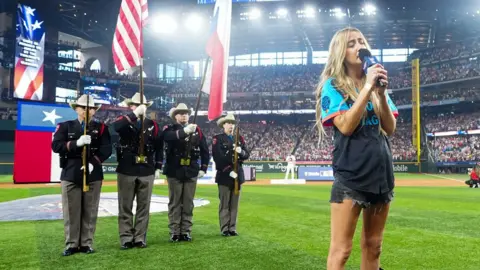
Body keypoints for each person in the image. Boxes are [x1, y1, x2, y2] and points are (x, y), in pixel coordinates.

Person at [315, 27, 398, 270]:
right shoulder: (333, 86)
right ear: (341, 52)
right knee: (341, 251)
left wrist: (380, 95)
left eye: (361, 41)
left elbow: (389, 128)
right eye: (351, 43)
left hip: (381, 174)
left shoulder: (374, 83)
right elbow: (347, 126)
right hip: (351, 176)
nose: (359, 46)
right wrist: (367, 89)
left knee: (374, 245)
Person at [51, 94, 112, 256]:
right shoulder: (65, 126)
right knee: (71, 211)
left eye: (90, 108)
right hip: (71, 173)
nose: (87, 110)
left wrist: (93, 162)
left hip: (93, 173)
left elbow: (106, 149)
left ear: (94, 111)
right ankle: (72, 244)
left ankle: (86, 243)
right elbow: (56, 146)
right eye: (83, 107)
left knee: (90, 211)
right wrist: (76, 143)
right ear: (77, 109)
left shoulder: (102, 128)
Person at [113, 92, 163, 249]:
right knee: (125, 206)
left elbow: (159, 147)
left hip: (147, 169)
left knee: (144, 207)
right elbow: (115, 128)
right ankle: (126, 237)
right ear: (131, 106)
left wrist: (158, 166)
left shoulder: (153, 125)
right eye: (135, 105)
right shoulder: (124, 120)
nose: (140, 107)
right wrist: (134, 115)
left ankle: (140, 237)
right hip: (127, 168)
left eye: (143, 106)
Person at [162, 103, 209, 242]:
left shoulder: (197, 130)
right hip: (174, 170)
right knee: (175, 203)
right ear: (175, 116)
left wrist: (203, 168)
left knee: (188, 203)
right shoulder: (169, 129)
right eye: (181, 113)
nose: (184, 115)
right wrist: (184, 132)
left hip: (191, 170)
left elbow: (205, 150)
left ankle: (186, 231)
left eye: (186, 113)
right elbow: (166, 137)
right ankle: (175, 231)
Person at [212, 113, 250, 237]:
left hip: (238, 176)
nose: (231, 126)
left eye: (233, 123)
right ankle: (224, 228)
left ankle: (232, 228)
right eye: (228, 123)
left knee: (234, 204)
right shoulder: (218, 139)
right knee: (224, 204)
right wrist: (229, 171)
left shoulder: (240, 138)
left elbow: (247, 155)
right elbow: (218, 157)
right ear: (223, 125)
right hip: (224, 175)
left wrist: (242, 152)